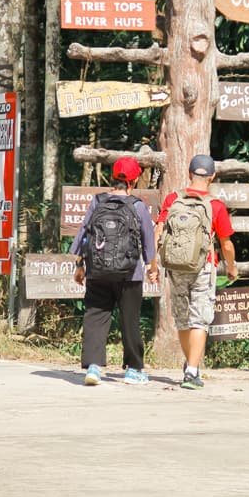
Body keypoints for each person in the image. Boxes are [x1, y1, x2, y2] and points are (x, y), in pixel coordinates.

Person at [69, 156, 158, 386]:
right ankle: (134, 370)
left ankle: (93, 367)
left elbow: (84, 233)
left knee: (95, 316)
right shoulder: (137, 206)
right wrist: (152, 267)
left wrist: (80, 266)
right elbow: (148, 239)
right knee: (130, 320)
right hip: (130, 274)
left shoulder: (98, 202)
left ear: (112, 176)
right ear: (135, 179)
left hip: (97, 270)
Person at [153, 154, 238, 390]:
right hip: (203, 265)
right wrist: (231, 268)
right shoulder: (215, 205)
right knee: (199, 318)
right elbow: (226, 244)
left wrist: (154, 264)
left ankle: (191, 365)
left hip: (175, 265)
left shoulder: (173, 199)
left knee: (182, 319)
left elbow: (158, 231)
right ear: (212, 177)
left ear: (189, 174)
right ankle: (192, 371)